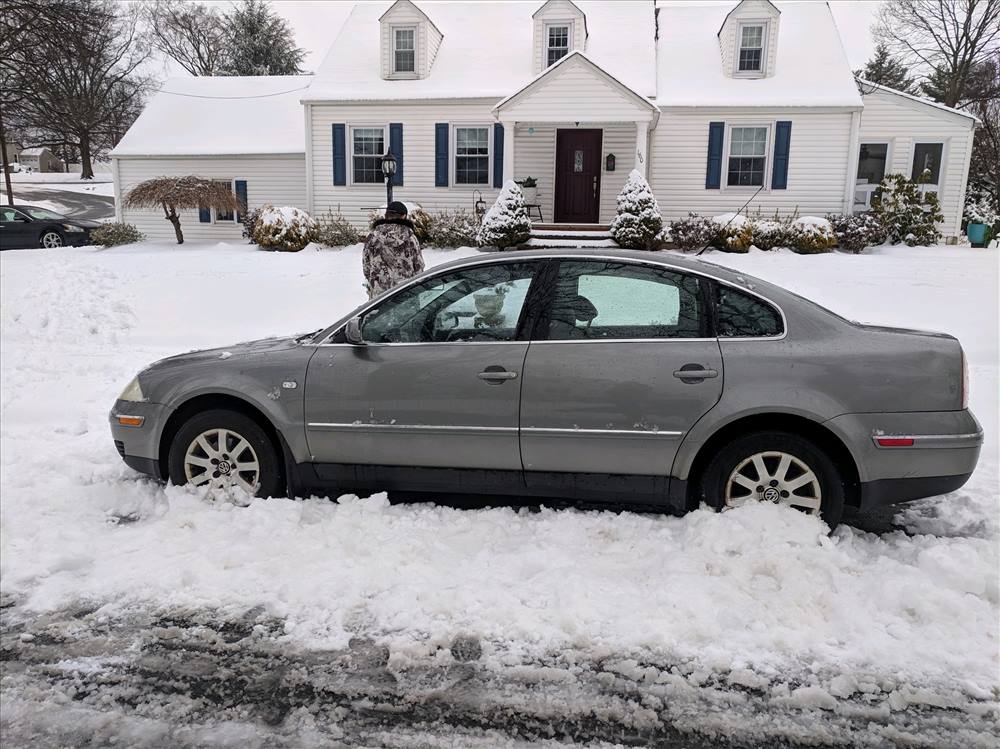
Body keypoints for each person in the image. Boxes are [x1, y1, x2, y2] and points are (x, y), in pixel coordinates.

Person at [362, 201, 424, 299]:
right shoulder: (410, 238)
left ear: (386, 215)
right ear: (403, 216)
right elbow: (419, 267)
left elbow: (366, 267)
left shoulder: (372, 237)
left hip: (379, 297)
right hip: (405, 294)